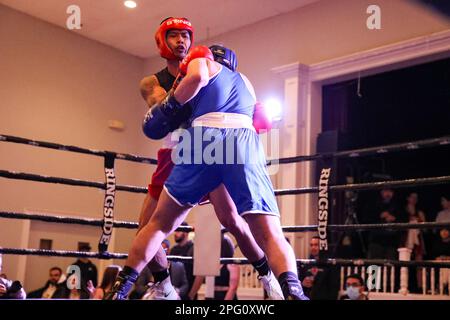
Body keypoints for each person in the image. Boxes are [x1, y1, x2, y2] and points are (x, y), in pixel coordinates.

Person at [105, 44, 307, 300]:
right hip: (243, 142)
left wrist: (171, 103)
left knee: (158, 225)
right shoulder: (245, 82)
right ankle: (293, 292)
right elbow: (262, 124)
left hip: (201, 140)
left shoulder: (202, 61)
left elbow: (197, 78)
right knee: (269, 232)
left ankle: (119, 291)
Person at [135, 17, 282, 300]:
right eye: (174, 36)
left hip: (208, 150)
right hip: (175, 154)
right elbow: (166, 112)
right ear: (161, 42)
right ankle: (164, 287)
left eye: (185, 36)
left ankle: (268, 278)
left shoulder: (207, 70)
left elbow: (234, 105)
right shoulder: (153, 81)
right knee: (146, 229)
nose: (181, 41)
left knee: (233, 221)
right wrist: (192, 81)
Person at [188, 232, 239, 300]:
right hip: (212, 295)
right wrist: (190, 296)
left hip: (225, 296)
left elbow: (233, 287)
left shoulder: (232, 264)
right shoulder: (211, 263)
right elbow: (200, 277)